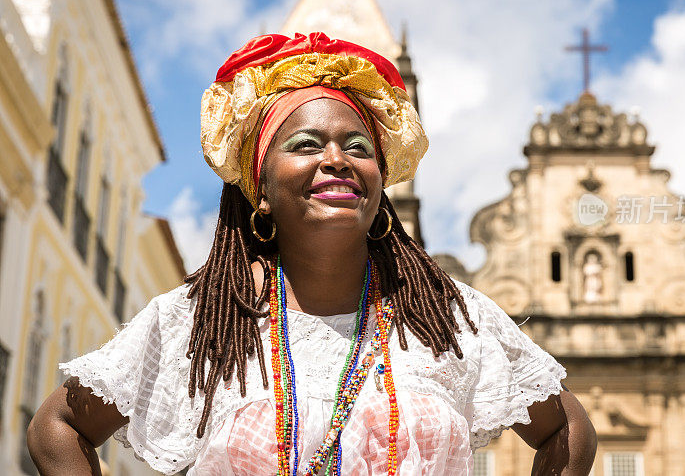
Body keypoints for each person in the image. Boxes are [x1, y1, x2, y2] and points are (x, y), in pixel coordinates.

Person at [27, 32, 596, 475]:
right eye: (305, 144)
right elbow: (59, 424)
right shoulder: (198, 322)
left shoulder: (448, 318)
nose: (338, 159)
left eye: (358, 147)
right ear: (262, 191)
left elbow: (566, 430)